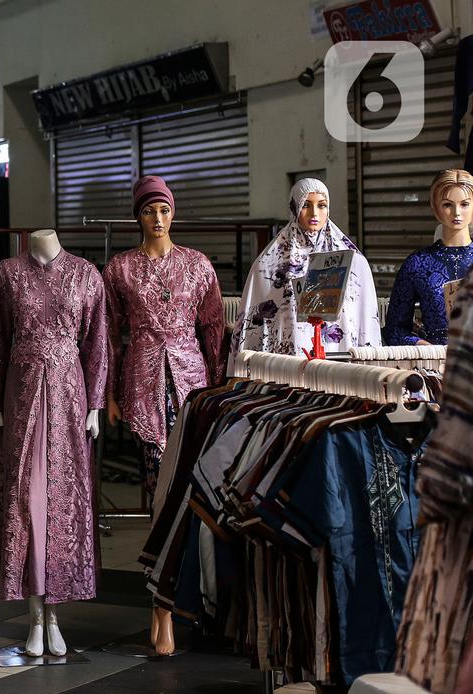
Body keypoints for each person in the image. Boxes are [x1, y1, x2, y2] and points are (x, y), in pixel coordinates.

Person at [102, 176, 224, 656]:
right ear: (138, 216)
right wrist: (109, 394)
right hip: (143, 388)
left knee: (195, 496)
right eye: (149, 211)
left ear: (174, 213)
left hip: (193, 389)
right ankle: (162, 608)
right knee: (160, 498)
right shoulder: (120, 268)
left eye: (165, 210)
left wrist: (220, 389)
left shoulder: (198, 264)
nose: (158, 218)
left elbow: (213, 329)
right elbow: (109, 337)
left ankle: (194, 600)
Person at [228, 177, 381, 373]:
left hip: (340, 362)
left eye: (321, 205)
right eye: (306, 205)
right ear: (294, 208)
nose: (314, 213)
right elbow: (257, 325)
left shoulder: (354, 262)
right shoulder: (270, 263)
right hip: (289, 363)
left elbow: (364, 320)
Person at [385, 169, 473, 345]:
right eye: (447, 205)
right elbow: (394, 330)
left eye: (464, 204)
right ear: (435, 206)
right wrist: (422, 345)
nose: (456, 212)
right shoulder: (417, 263)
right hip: (434, 359)